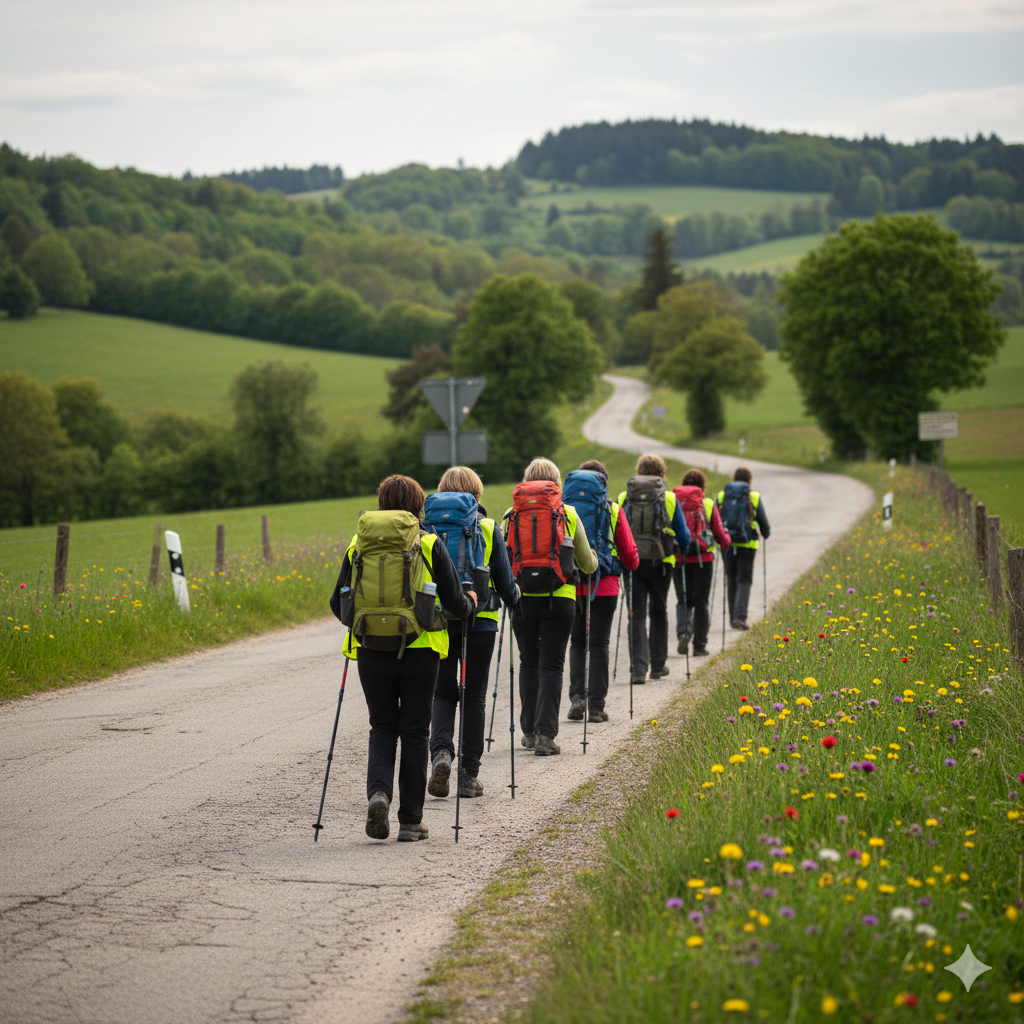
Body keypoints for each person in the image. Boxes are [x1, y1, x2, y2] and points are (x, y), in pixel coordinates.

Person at [329, 474, 476, 843]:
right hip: (421, 650)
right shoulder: (428, 542)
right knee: (414, 731)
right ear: (417, 506)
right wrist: (468, 605)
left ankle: (378, 794)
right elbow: (456, 603)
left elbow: (337, 604)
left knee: (381, 727)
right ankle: (411, 822)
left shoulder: (356, 545)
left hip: (370, 651)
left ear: (380, 503)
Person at [425, 466, 520, 801]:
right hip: (481, 620)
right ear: (476, 495)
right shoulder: (489, 526)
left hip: (437, 620)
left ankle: (440, 754)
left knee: (442, 693)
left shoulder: (428, 528)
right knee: (475, 695)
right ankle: (468, 775)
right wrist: (515, 599)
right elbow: (507, 584)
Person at [505, 457, 598, 756]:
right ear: (555, 484)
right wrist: (594, 559)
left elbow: (504, 559)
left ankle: (529, 731)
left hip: (522, 599)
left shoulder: (512, 514)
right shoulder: (567, 513)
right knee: (552, 665)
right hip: (561, 597)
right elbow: (585, 562)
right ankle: (546, 735)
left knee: (528, 662)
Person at [566, 459, 639, 723]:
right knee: (599, 644)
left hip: (572, 585)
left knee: (577, 642)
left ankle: (577, 698)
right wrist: (626, 565)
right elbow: (630, 554)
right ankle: (596, 707)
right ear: (604, 484)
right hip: (605, 585)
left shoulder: (564, 510)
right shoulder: (613, 510)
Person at [619, 454, 690, 685]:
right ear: (662, 473)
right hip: (662, 563)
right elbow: (684, 535)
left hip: (633, 564)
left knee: (636, 614)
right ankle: (658, 666)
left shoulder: (624, 496)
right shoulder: (668, 497)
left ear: (638, 471)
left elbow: (616, 530)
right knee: (659, 612)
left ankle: (638, 669)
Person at [674, 468, 731, 657]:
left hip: (679, 558)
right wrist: (726, 541)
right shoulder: (706, 503)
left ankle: (683, 632)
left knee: (683, 599)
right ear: (702, 485)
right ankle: (699, 646)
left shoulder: (674, 501)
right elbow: (718, 531)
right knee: (701, 602)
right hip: (703, 559)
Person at [718, 466, 771, 630]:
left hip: (727, 543)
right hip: (747, 544)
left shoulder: (722, 495)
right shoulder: (753, 496)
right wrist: (765, 533)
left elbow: (716, 520)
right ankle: (739, 618)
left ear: (734, 478)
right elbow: (763, 522)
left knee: (732, 579)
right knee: (744, 580)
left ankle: (732, 617)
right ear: (749, 481)